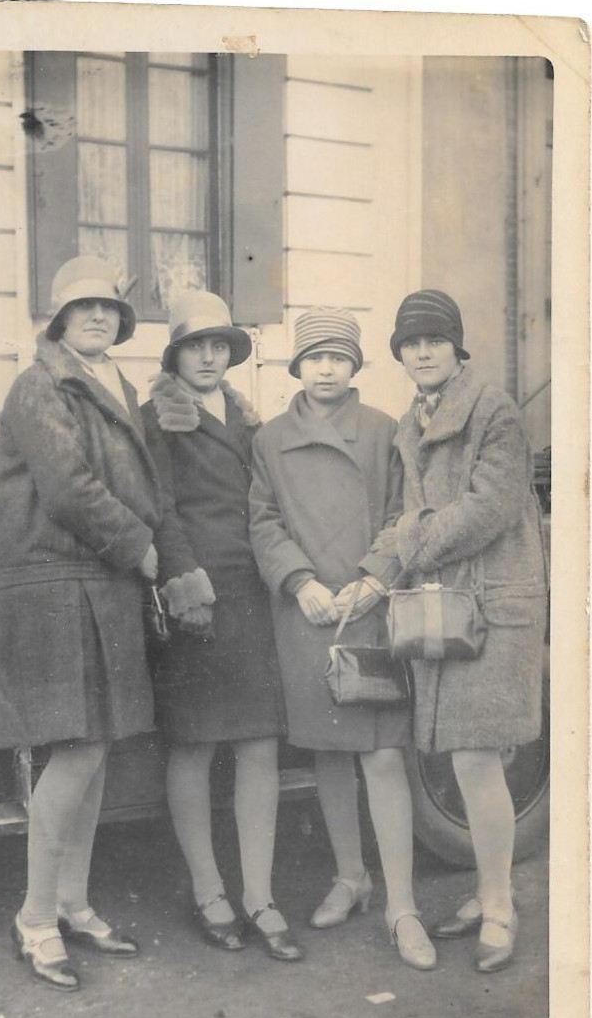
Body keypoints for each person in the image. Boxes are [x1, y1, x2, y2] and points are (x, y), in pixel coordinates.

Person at [0, 255, 162, 991]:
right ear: (59, 318)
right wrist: (141, 544)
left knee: (96, 756)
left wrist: (137, 551)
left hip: (100, 581)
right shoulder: (38, 384)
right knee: (79, 752)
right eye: (81, 307)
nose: (96, 316)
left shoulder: (107, 384)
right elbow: (66, 488)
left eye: (107, 308)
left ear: (120, 322)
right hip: (58, 584)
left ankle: (72, 901)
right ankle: (34, 918)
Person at [249, 307, 437, 971]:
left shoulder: (384, 431)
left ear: (355, 365)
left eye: (338, 357)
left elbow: (402, 516)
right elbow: (263, 520)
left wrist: (375, 578)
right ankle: (350, 876)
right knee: (328, 753)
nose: (325, 368)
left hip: (369, 608)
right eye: (313, 357)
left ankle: (401, 904)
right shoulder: (269, 439)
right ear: (295, 366)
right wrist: (297, 581)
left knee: (382, 756)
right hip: (307, 614)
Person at [380, 289, 548, 972]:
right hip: (445, 606)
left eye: (433, 341)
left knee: (477, 758)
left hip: (493, 604)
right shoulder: (408, 418)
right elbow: (409, 511)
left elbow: (489, 506)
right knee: (464, 758)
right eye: (409, 343)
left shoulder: (492, 407)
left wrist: (409, 542)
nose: (421, 352)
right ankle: (487, 892)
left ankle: (500, 904)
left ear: (457, 347)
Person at [141, 291, 301, 962]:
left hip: (250, 590)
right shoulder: (156, 418)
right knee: (196, 745)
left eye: (219, 346)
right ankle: (209, 890)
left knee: (259, 744)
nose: (208, 356)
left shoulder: (245, 416)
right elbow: (159, 510)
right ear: (174, 353)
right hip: (196, 597)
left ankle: (259, 896)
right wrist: (186, 586)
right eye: (195, 345)